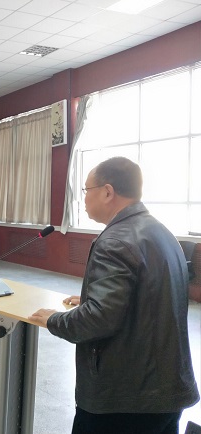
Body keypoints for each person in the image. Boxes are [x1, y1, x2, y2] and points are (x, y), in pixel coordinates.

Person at [29, 157, 199, 434]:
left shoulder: (114, 241)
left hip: (123, 398)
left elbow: (98, 320)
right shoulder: (161, 232)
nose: (84, 198)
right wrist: (94, 297)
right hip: (166, 388)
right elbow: (155, 294)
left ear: (108, 192)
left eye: (87, 190)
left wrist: (53, 319)